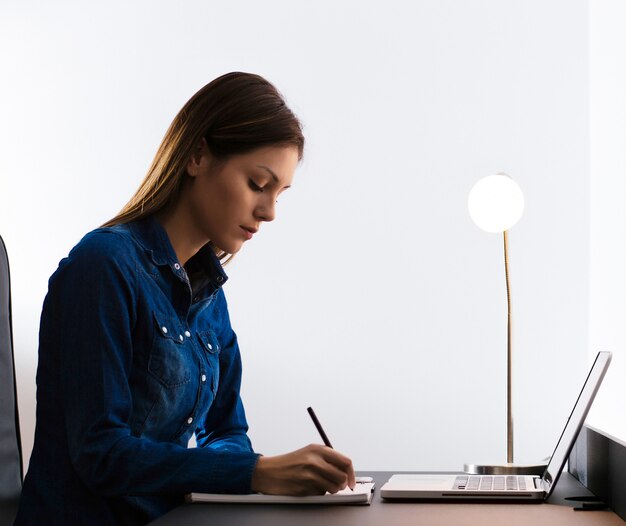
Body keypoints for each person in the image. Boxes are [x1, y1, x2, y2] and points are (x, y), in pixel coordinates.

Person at [15, 72, 355, 526]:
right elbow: (101, 454)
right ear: (197, 156)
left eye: (279, 194)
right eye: (258, 184)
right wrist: (255, 472)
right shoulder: (103, 267)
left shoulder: (209, 296)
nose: (270, 211)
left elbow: (227, 429)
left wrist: (247, 467)